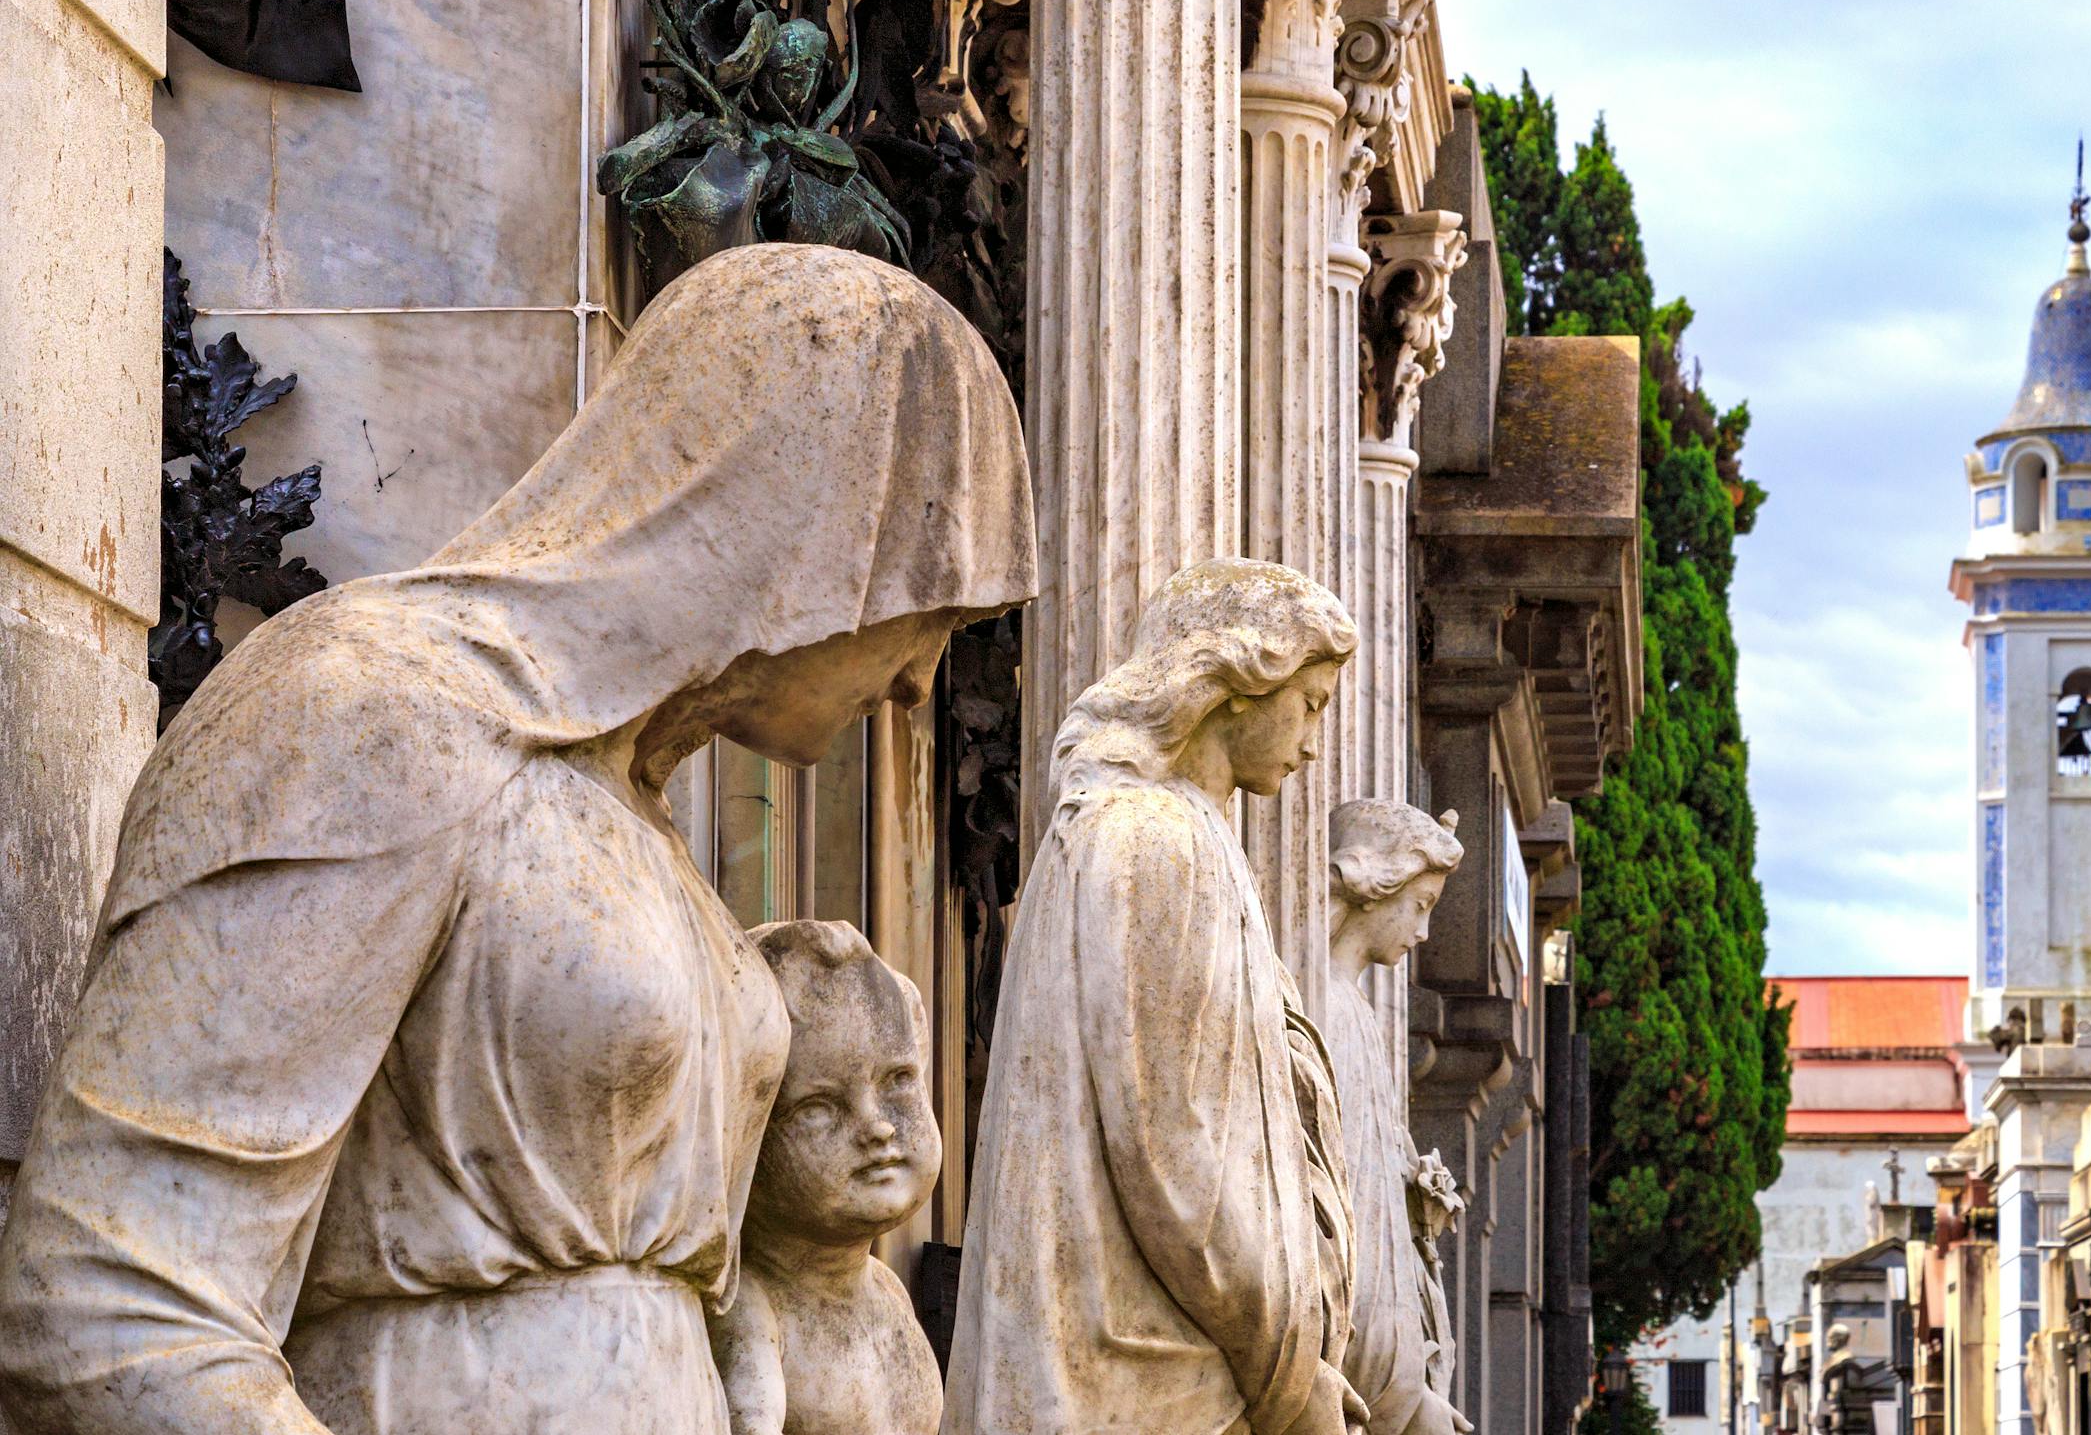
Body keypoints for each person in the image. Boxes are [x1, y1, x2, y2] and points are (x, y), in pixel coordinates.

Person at [0, 243, 1035, 1435]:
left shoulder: (641, 835)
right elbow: (111, 1293)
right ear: (797, 522)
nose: (918, 684)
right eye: (924, 607)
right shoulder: (377, 710)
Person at [944, 558, 1365, 1435]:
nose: (1316, 742)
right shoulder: (1156, 842)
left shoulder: (1175, 835)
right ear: (1238, 684)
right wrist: (1288, 1375)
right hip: (1145, 1373)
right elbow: (1176, 1157)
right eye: (1312, 703)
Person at [711, 921, 945, 1435]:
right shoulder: (749, 1311)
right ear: (748, 1134)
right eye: (819, 1106)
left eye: (898, 1081)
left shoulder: (887, 1289)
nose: (877, 1126)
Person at [1321, 801, 1469, 1435]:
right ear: (1373, 887)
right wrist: (1403, 1400)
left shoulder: (1352, 1012)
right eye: (1422, 905)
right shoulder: (1325, 1009)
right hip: (1355, 1372)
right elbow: (1344, 1215)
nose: (1425, 932)